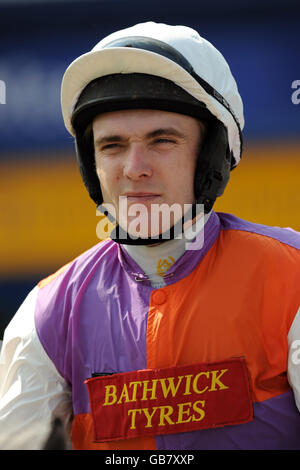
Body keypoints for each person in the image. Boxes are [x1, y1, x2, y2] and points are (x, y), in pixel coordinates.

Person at [0, 21, 300, 451]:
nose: (134, 168)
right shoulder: (47, 310)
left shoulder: (293, 276)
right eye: (112, 146)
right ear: (91, 167)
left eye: (162, 140)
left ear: (212, 156)